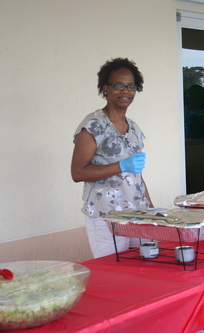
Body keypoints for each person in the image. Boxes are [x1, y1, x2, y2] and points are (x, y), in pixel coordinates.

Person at [71, 58, 153, 258]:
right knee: (113, 274)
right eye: (118, 86)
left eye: (131, 86)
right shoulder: (93, 125)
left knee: (144, 268)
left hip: (137, 213)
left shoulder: (134, 128)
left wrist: (151, 208)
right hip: (106, 215)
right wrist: (121, 165)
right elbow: (78, 172)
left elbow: (137, 175)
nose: (125, 91)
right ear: (105, 88)